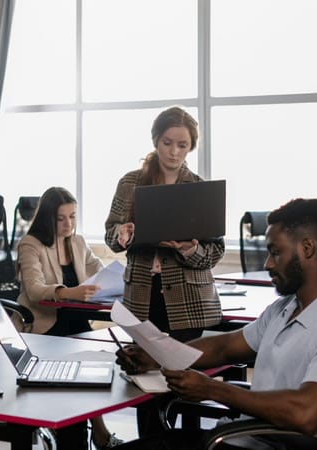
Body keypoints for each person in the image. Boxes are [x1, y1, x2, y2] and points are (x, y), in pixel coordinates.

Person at [113, 198, 317, 450]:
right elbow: (225, 346)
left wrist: (214, 389)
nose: (267, 264)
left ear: (307, 248)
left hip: (266, 444)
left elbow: (308, 414)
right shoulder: (285, 308)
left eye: (275, 252)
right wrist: (157, 357)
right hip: (241, 437)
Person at [104, 106, 225, 435]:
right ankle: (152, 444)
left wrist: (189, 248)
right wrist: (122, 234)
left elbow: (215, 251)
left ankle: (186, 442)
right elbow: (110, 235)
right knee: (145, 383)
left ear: (191, 147)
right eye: (167, 143)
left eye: (182, 145)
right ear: (156, 141)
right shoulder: (130, 183)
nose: (174, 152)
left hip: (188, 301)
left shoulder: (199, 188)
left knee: (183, 383)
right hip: (143, 297)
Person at [15, 186, 123, 449]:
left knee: (96, 367)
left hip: (75, 321)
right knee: (81, 374)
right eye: (61, 218)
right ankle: (97, 432)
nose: (68, 224)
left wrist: (119, 281)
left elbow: (98, 271)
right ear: (47, 218)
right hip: (45, 325)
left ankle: (95, 431)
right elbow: (34, 289)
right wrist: (70, 292)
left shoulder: (78, 242)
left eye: (73, 216)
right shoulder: (31, 244)